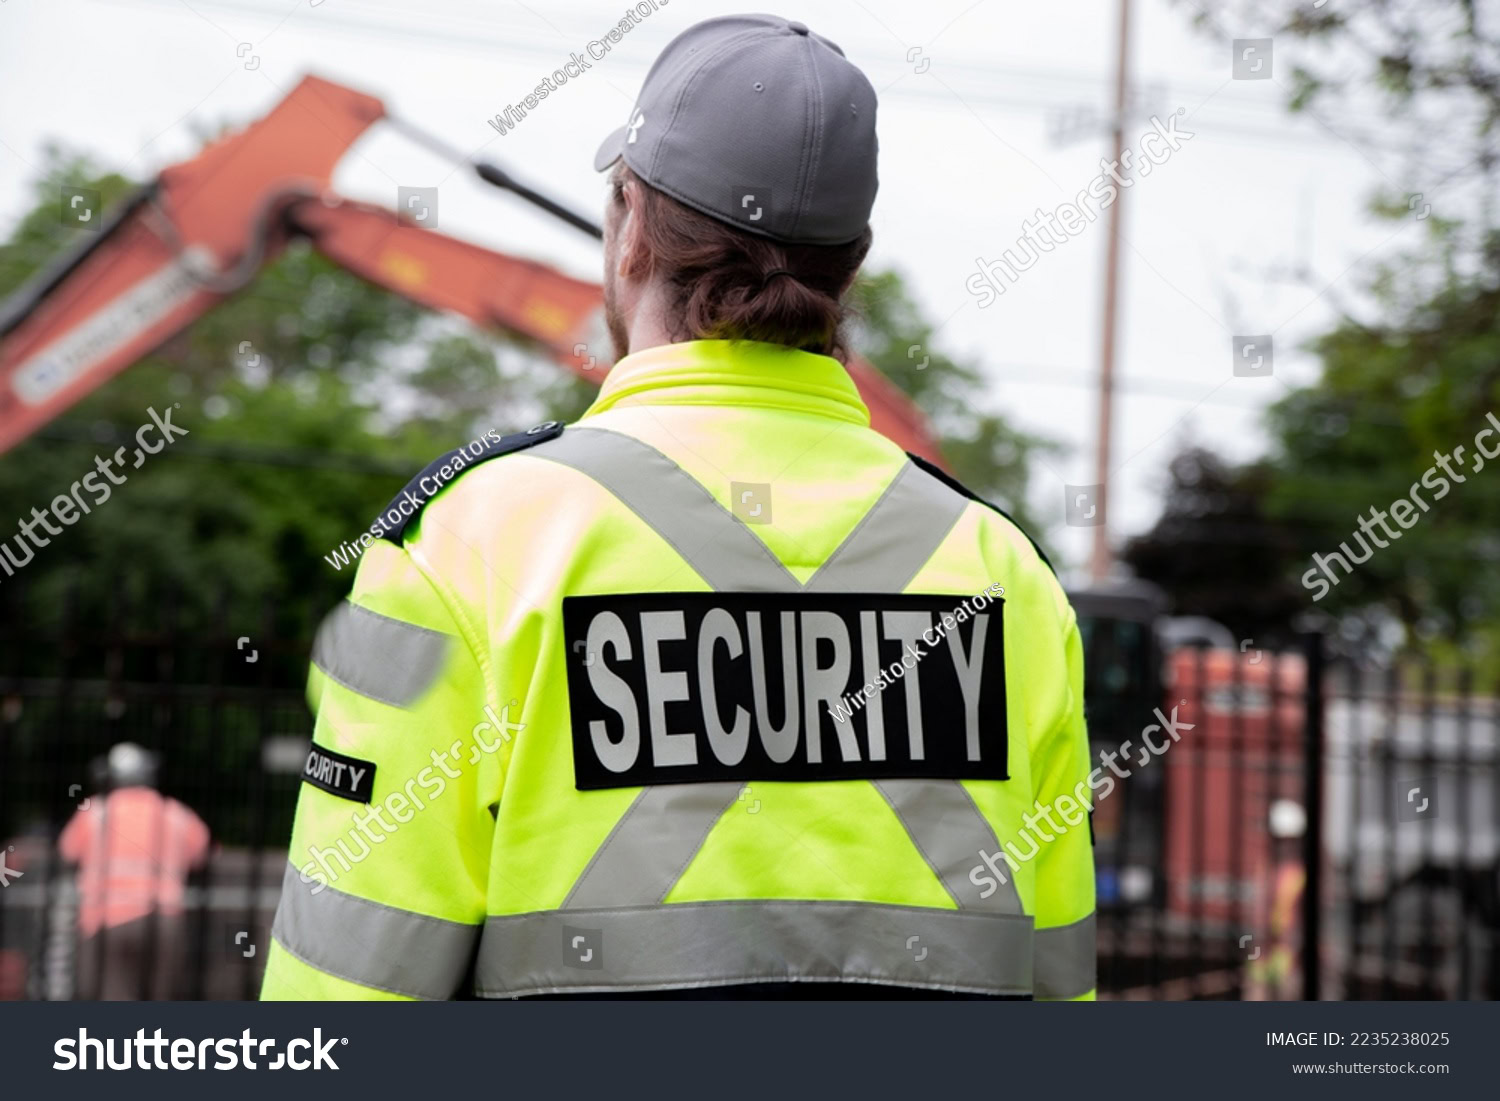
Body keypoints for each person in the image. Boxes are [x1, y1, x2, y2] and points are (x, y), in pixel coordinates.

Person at [262, 12, 1094, 1001]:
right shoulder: (1010, 583)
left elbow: (343, 1001)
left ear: (630, 228)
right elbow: (1059, 996)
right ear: (850, 265)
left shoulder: (462, 548)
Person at [58, 742, 210, 999]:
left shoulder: (95, 811)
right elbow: (203, 853)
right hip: (163, 919)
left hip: (105, 920)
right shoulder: (175, 813)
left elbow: (67, 852)